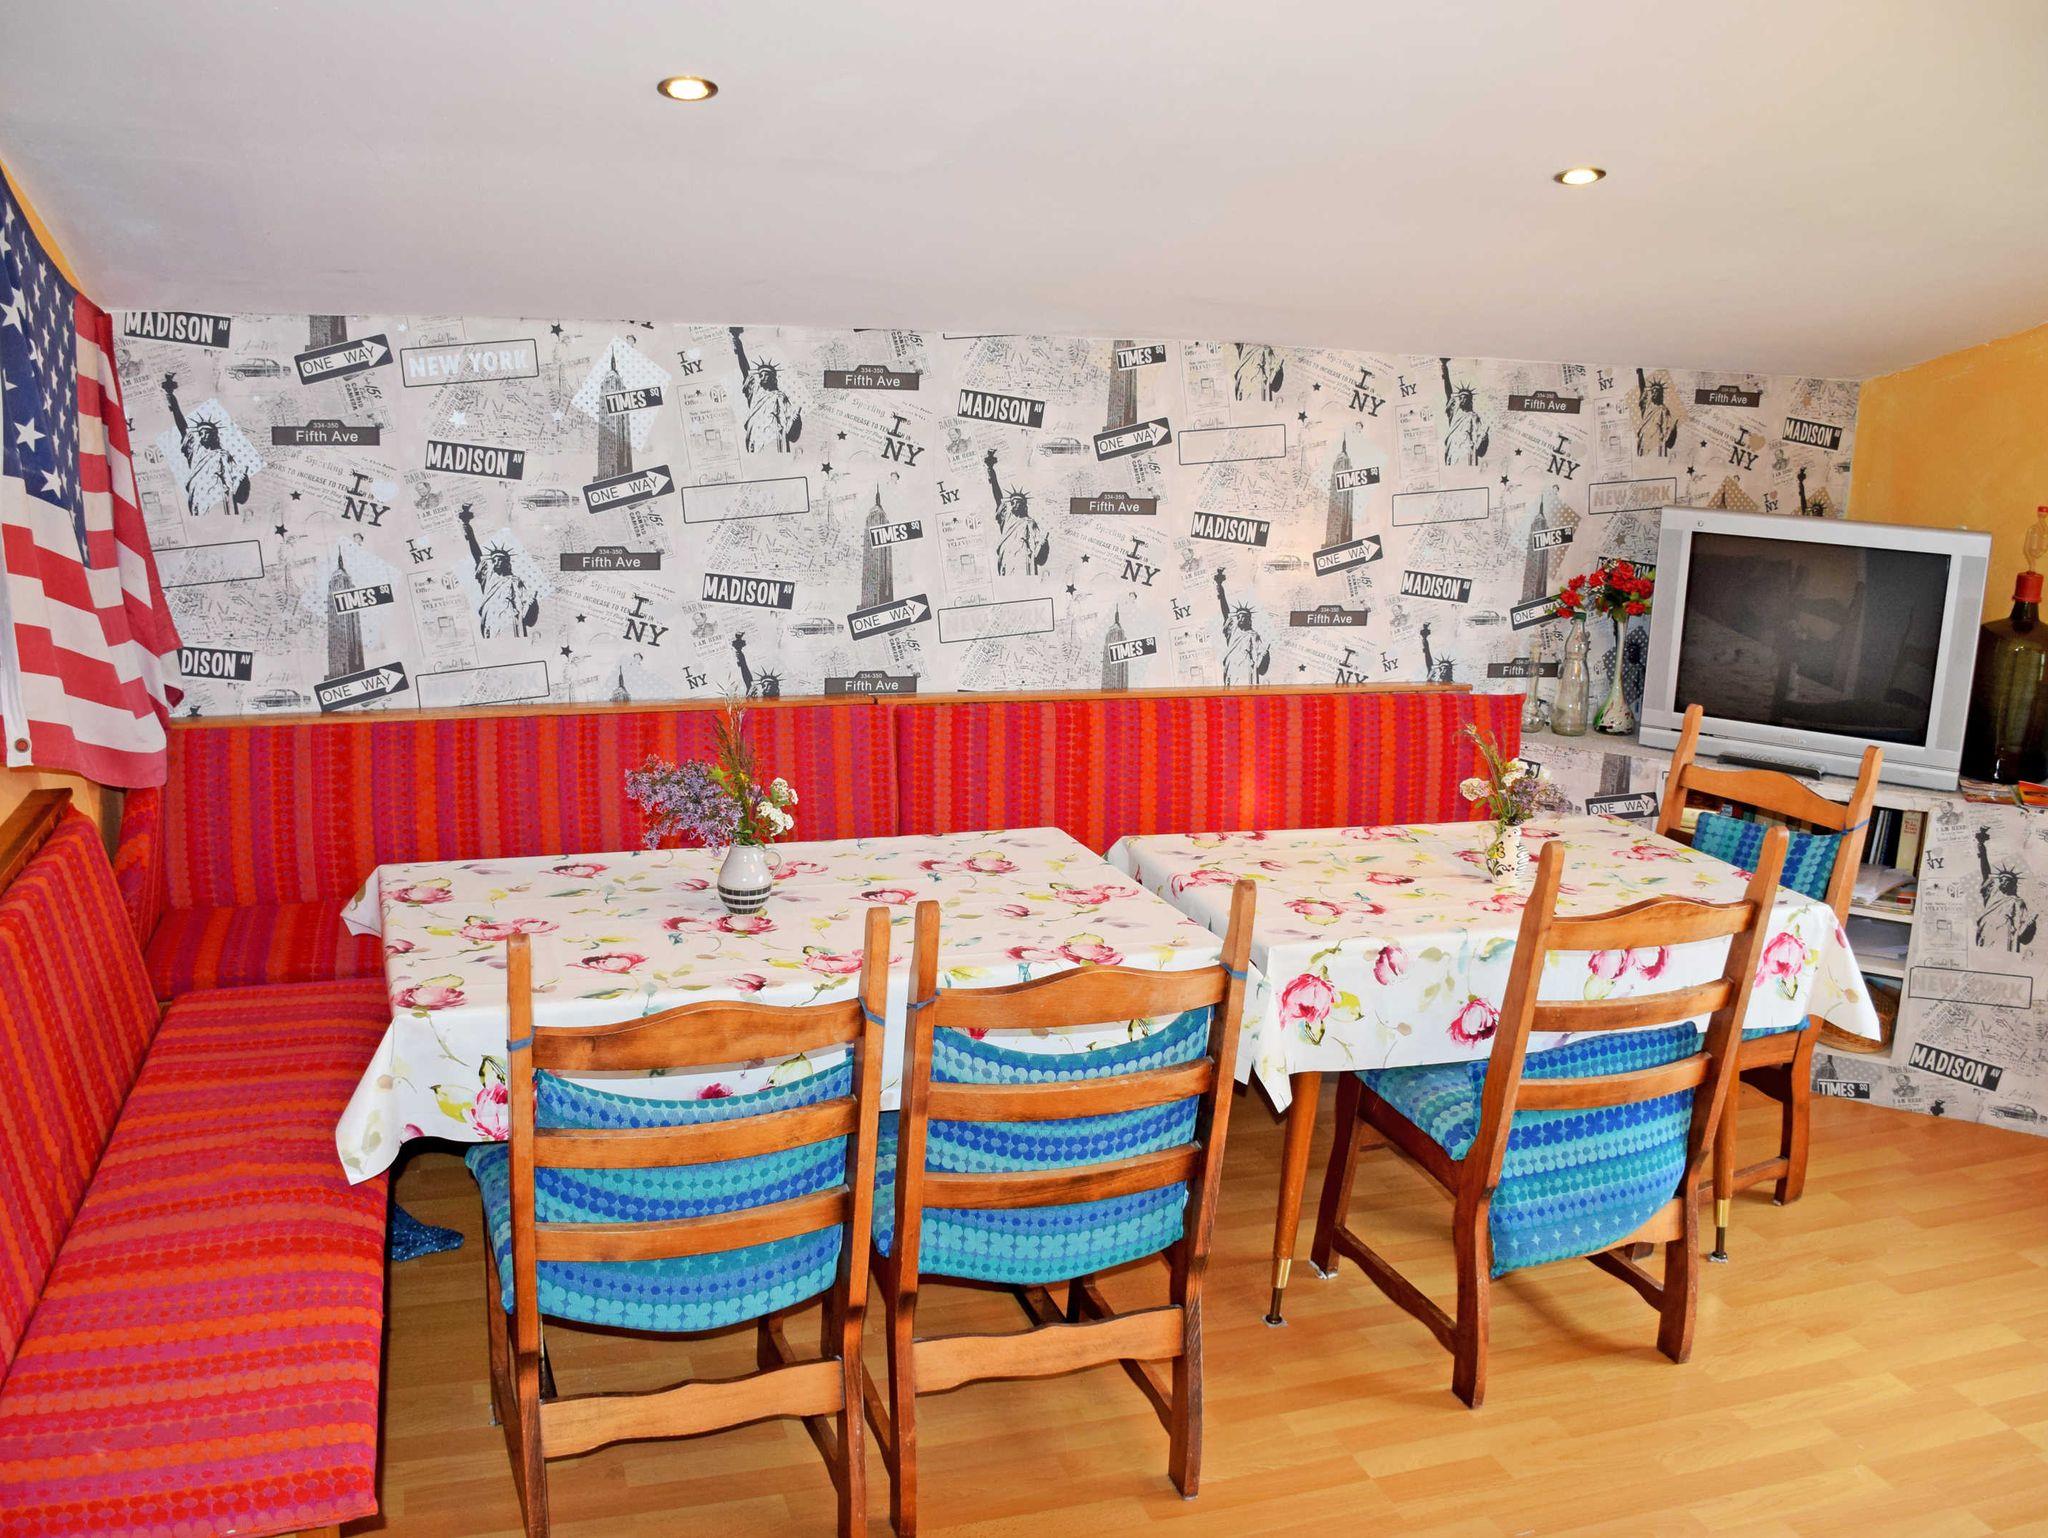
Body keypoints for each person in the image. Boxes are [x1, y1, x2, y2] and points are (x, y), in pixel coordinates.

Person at [161, 372, 250, 516]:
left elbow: (238, 485)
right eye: (200, 433)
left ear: (214, 435)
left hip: (220, 500)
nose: (202, 435)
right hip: (199, 497)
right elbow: (182, 425)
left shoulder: (224, 455)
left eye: (206, 432)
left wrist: (243, 479)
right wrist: (171, 396)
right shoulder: (195, 449)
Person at [459, 504, 539, 639]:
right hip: (491, 620)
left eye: (498, 560)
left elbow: (528, 610)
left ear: (507, 563)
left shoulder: (515, 581)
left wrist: (533, 603)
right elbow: (477, 555)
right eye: (493, 560)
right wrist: (468, 529)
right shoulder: (488, 577)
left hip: (510, 623)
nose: (494, 562)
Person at [729, 326, 802, 453]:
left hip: (773, 439)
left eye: (765, 374)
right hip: (755, 436)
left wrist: (797, 420)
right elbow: (745, 370)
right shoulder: (755, 392)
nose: (761, 377)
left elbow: (791, 428)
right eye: (760, 375)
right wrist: (739, 346)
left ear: (773, 379)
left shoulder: (780, 396)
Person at [985, 448, 1048, 577]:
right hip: (1006, 557)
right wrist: (991, 470)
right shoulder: (1006, 517)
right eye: (1012, 502)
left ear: (1023, 506)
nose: (1013, 504)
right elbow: (998, 497)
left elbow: (1039, 546)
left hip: (1022, 558)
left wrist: (1044, 544)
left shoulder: (1030, 522)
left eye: (1016, 502)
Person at [1976, 825, 2037, 952]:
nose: (2003, 882)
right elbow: (1986, 872)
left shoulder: (2018, 902)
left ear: (2013, 885)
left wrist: (2031, 925)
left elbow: (2023, 935)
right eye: (2001, 879)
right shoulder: (1992, 893)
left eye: (2007, 880)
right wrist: (1982, 847)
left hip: (2004, 936)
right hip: (1986, 931)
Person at [1214, 568, 1271, 686]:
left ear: (1249, 620)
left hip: (1245, 669)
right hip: (1231, 667)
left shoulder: (1254, 635)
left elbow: (1261, 657)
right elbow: (1225, 611)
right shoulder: (1233, 630)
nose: (1240, 619)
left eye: (1243, 616)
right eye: (1238, 617)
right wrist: (1220, 586)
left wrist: (1266, 655)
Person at [1440, 358, 1488, 465]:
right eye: (1460, 397)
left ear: (1469, 401)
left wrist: (1484, 437)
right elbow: (1448, 392)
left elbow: (1480, 434)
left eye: (1465, 398)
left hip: (1466, 449)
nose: (1462, 400)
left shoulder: (1473, 416)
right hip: (1453, 447)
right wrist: (1445, 370)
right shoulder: (1455, 412)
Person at [1636, 367, 1678, 459]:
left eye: (1657, 392)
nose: (1654, 394)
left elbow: (1668, 427)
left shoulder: (1664, 410)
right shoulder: (1647, 406)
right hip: (1644, 440)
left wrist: (1670, 432)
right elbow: (1642, 389)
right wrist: (1640, 374)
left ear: (1661, 395)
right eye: (1653, 392)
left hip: (1656, 442)